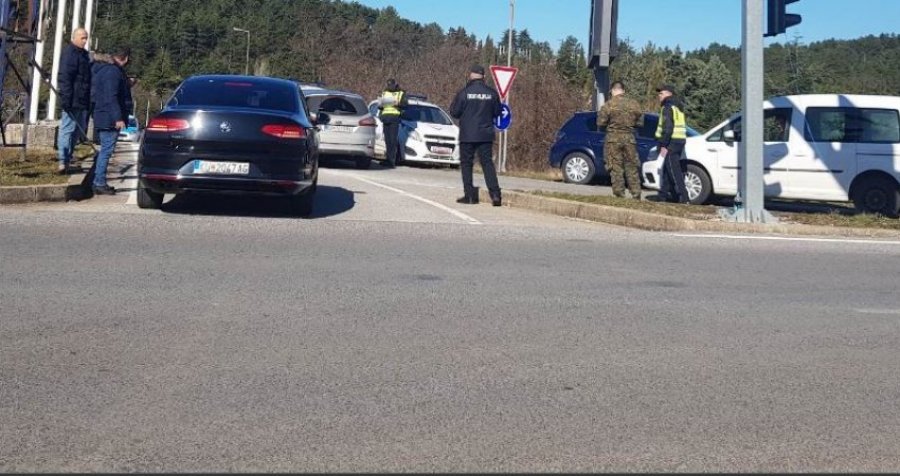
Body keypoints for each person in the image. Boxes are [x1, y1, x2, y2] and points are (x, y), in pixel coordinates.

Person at [449, 64, 502, 206]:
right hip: (485, 134)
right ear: (484, 76)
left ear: (471, 75)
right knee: (487, 164)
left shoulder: (464, 93)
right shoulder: (492, 93)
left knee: (467, 164)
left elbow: (454, 112)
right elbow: (498, 112)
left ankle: (470, 196)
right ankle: (495, 195)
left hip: (468, 134)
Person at [89, 47, 130, 196]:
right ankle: (99, 182)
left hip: (102, 114)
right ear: (125, 59)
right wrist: (118, 118)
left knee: (105, 150)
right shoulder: (113, 72)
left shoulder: (103, 70)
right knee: (106, 150)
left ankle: (98, 180)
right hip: (108, 117)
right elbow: (111, 96)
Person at [597, 81, 643, 200]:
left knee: (615, 167)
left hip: (613, 139)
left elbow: (600, 123)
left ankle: (619, 194)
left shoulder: (608, 105)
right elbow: (640, 123)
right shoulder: (634, 104)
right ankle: (636, 193)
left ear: (612, 90)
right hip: (629, 139)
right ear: (623, 91)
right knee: (632, 166)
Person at [55, 28, 91, 174]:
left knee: (76, 131)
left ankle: (68, 158)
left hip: (81, 100)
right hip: (71, 99)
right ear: (74, 37)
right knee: (67, 129)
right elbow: (65, 78)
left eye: (86, 38)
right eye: (82, 38)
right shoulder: (70, 53)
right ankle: (63, 161)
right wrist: (66, 99)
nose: (85, 41)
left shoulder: (84, 55)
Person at [655, 84, 690, 204]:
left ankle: (684, 198)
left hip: (671, 142)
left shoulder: (667, 107)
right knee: (667, 169)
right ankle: (662, 196)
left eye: (661, 93)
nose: (659, 95)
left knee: (674, 172)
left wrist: (663, 144)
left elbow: (668, 128)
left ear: (669, 94)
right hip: (679, 141)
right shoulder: (678, 107)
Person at [377, 79, 408, 168]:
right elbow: (380, 106)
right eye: (388, 85)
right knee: (387, 141)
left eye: (391, 85)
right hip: (385, 118)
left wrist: (396, 103)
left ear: (395, 84)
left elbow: (405, 104)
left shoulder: (401, 93)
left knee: (392, 140)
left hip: (394, 118)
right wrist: (381, 105)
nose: (390, 86)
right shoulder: (384, 92)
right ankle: (388, 159)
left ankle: (392, 161)